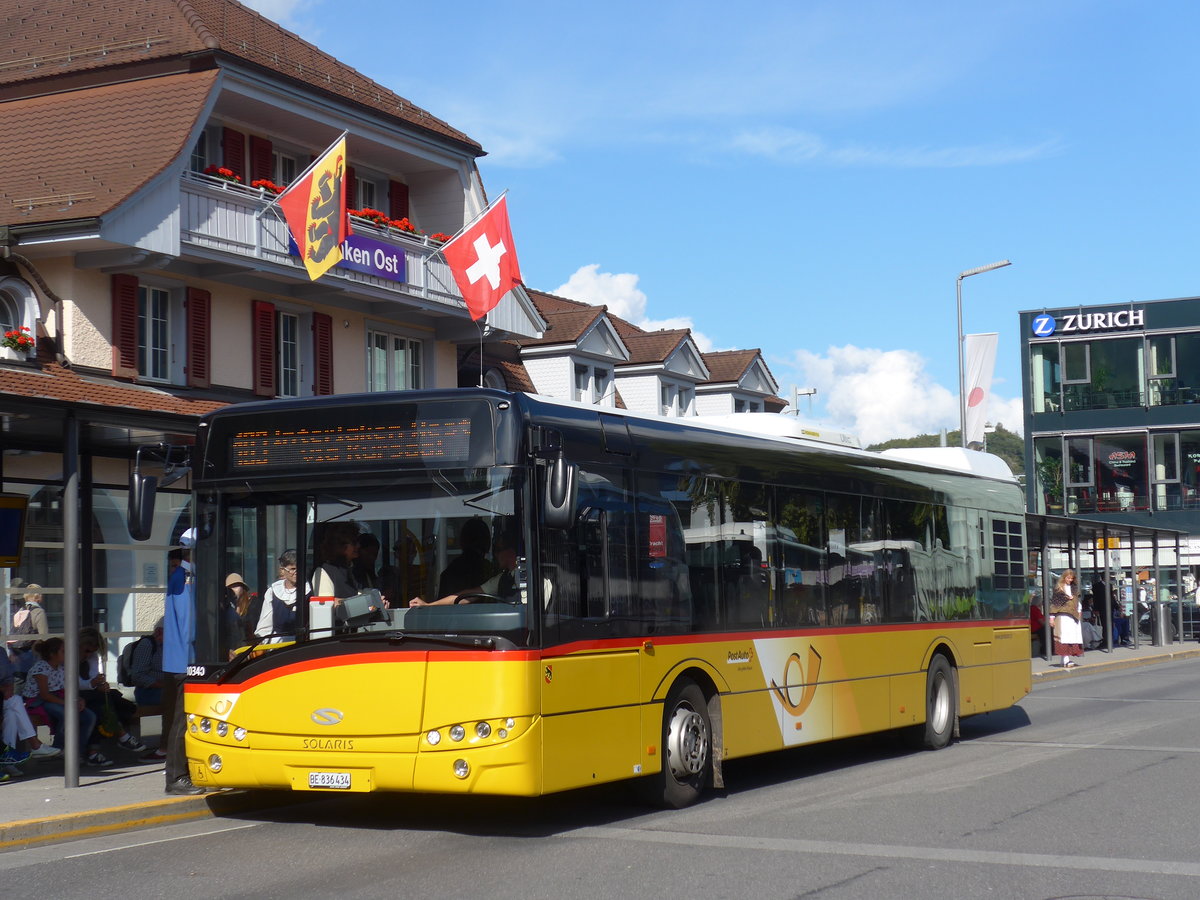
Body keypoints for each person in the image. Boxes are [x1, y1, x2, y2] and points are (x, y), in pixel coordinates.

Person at [163, 529, 205, 794]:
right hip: (186, 660)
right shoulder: (185, 579)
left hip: (184, 659)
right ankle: (176, 778)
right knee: (182, 722)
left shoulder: (185, 576)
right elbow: (189, 627)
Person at [21, 637, 98, 763]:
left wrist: (77, 699)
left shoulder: (62, 667)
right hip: (38, 701)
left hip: (58, 698)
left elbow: (66, 688)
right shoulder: (41, 668)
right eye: (63, 651)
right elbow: (45, 695)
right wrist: (67, 703)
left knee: (90, 716)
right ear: (52, 654)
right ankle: (58, 749)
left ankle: (77, 751)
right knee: (66, 714)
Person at [77, 626, 144, 762]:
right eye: (87, 651)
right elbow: (71, 682)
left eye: (92, 652)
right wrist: (93, 684)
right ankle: (122, 736)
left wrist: (99, 683)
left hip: (89, 694)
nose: (88, 655)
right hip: (70, 693)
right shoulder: (67, 656)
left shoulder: (92, 657)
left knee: (103, 703)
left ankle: (93, 752)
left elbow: (93, 676)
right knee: (104, 703)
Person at [0, 645, 58, 763]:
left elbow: (8, 675)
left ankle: (8, 759)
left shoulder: (1, 652)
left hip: (3, 697)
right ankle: (34, 745)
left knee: (11, 713)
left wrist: (9, 686)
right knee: (16, 701)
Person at [435, 518, 495, 599]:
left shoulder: (451, 570)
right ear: (487, 542)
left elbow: (442, 605)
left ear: (462, 540)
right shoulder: (489, 569)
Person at [254, 550, 306, 642]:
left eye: (299, 568)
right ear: (282, 570)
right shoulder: (273, 591)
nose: (296, 572)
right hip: (278, 646)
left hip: (302, 644)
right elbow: (265, 625)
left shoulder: (309, 590)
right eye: (292, 569)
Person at [312, 522, 360, 600]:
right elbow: (325, 603)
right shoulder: (323, 572)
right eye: (354, 542)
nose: (358, 546)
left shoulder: (350, 570)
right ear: (338, 545)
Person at [9, 583, 48, 675]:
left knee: (19, 683)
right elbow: (44, 637)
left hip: (17, 654)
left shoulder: (20, 611)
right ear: (38, 596)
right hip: (32, 654)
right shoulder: (39, 612)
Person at [1049, 569, 1083, 668]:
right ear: (1064, 578)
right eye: (1068, 578)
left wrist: (1079, 611)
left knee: (1071, 637)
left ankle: (1064, 660)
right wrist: (1051, 618)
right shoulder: (1059, 589)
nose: (1070, 580)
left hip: (1073, 617)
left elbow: (1077, 602)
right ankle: (1066, 659)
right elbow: (1054, 605)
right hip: (1063, 617)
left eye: (1072, 578)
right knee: (1064, 637)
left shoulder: (1074, 589)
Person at [225, 573, 261, 646]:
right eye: (230, 587)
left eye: (235, 586)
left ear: (243, 588)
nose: (233, 590)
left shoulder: (254, 604)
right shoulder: (227, 607)